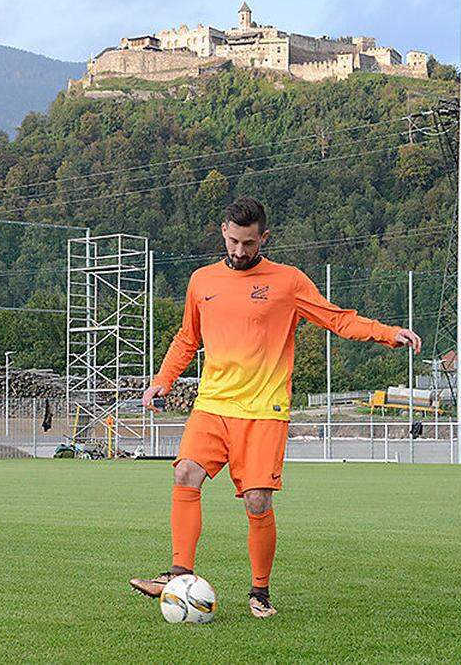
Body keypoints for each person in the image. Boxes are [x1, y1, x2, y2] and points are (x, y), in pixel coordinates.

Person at [129, 197, 421, 618]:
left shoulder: (288, 282)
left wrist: (387, 333)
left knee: (257, 501)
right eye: (233, 242)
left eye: (248, 243)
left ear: (263, 237)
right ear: (223, 234)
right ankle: (176, 574)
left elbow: (338, 319)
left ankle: (260, 592)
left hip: (264, 409)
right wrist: (162, 381)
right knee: (185, 472)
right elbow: (187, 339)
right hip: (213, 404)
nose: (240, 252)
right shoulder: (201, 281)